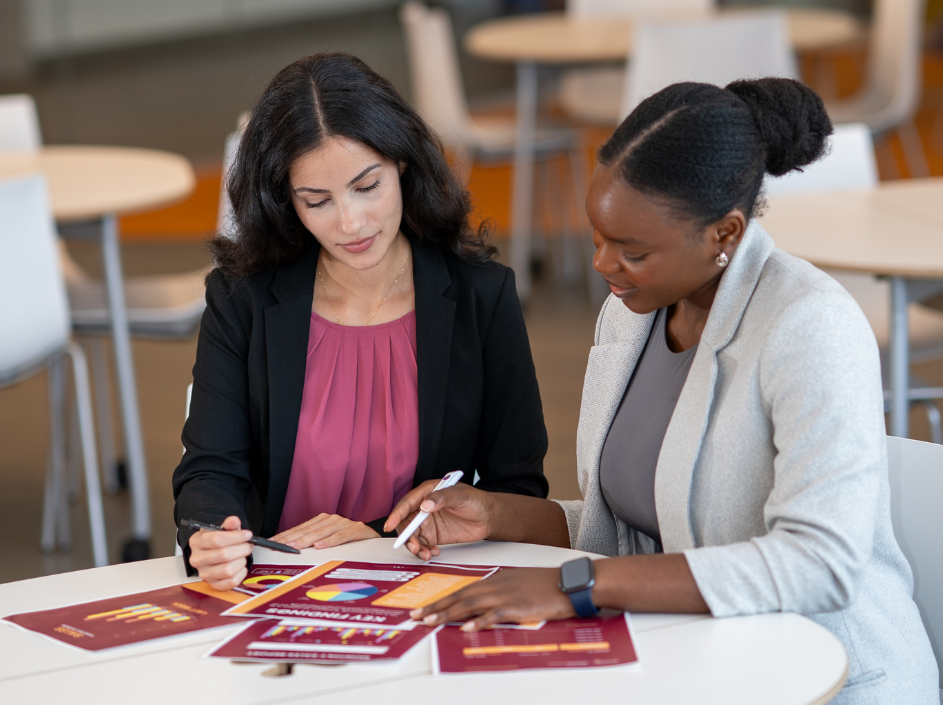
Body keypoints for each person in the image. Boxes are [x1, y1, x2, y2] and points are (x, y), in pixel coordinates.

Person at [385, 78, 940, 703]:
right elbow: (633, 529)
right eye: (597, 236)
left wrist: (580, 585)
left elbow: (819, 564)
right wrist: (496, 514)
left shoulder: (809, 326)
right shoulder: (636, 310)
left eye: (632, 250)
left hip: (824, 677)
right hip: (698, 660)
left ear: (724, 235)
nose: (602, 265)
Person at [172, 52, 548, 590]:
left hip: (425, 588)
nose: (350, 222)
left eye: (366, 186)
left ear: (404, 165)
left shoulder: (480, 296)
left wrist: (371, 536)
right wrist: (209, 533)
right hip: (277, 588)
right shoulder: (243, 298)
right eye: (316, 201)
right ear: (287, 203)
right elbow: (211, 468)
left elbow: (517, 494)